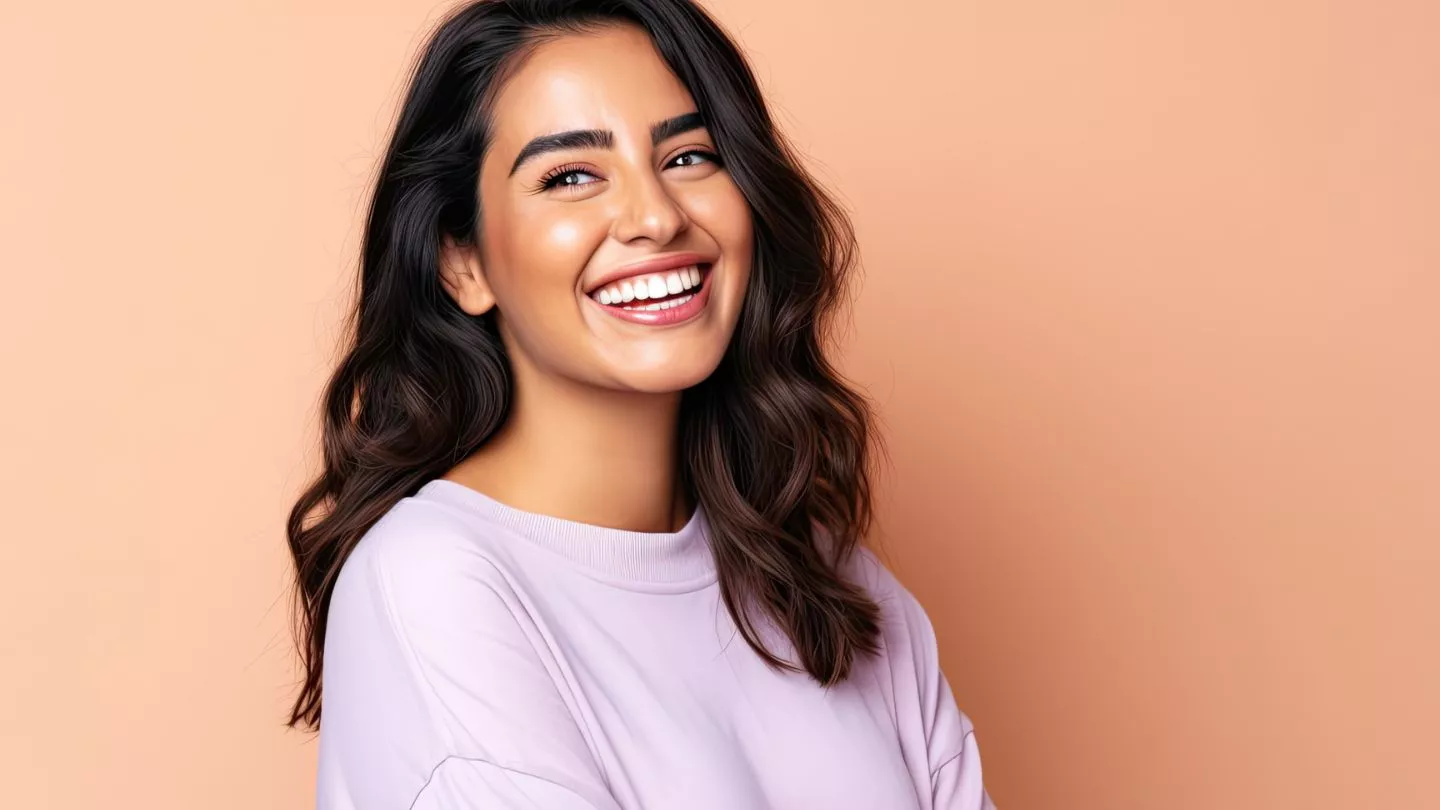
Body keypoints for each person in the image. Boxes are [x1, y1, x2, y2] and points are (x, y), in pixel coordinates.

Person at [284, 1, 997, 807]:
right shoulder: (435, 585)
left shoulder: (834, 585)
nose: (657, 217)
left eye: (690, 156)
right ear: (463, 262)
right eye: (571, 177)